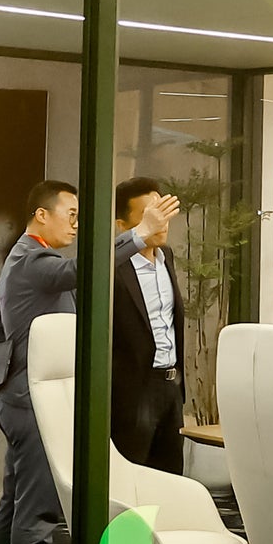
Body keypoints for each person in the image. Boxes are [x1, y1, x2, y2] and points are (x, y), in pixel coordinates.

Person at [0, 179, 84, 544]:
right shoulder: (37, 261)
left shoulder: (17, 259)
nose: (77, 224)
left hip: (19, 399)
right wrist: (134, 238)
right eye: (71, 213)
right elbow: (84, 271)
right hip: (34, 403)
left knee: (15, 506)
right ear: (42, 214)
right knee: (36, 510)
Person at [108, 175, 189, 477]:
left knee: (170, 478)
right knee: (132, 479)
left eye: (162, 214)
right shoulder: (112, 267)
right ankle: (128, 529)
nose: (161, 223)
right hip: (133, 392)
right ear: (122, 227)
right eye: (149, 217)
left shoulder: (166, 256)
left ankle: (161, 527)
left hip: (170, 387)